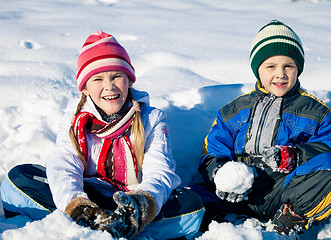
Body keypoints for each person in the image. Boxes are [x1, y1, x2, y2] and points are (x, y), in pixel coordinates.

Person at [1, 30, 204, 239]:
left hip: (129, 198)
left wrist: (141, 207)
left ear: (130, 81)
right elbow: (64, 163)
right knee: (17, 178)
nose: (109, 86)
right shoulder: (76, 119)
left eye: (117, 76)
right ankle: (94, 223)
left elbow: (160, 171)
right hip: (87, 194)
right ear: (86, 89)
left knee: (191, 206)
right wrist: (76, 205)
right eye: (97, 79)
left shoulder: (150, 119)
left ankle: (122, 225)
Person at [190, 20, 331, 236]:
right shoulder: (235, 109)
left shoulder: (315, 111)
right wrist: (221, 174)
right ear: (258, 69)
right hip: (236, 191)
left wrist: (295, 156)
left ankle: (290, 220)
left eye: (289, 66)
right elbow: (213, 150)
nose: (280, 74)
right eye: (271, 66)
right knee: (184, 198)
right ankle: (208, 222)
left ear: (298, 69)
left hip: (282, 191)